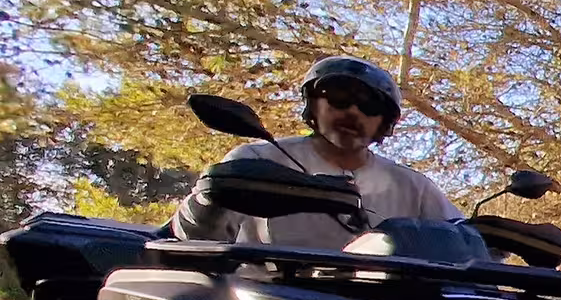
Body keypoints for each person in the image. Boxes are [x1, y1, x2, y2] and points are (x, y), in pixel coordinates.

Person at [171, 56, 460, 249]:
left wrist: (492, 234)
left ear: (384, 123)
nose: (352, 112)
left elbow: (465, 244)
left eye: (370, 106)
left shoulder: (413, 187)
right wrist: (210, 198)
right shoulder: (258, 160)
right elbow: (196, 239)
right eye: (338, 98)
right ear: (313, 105)